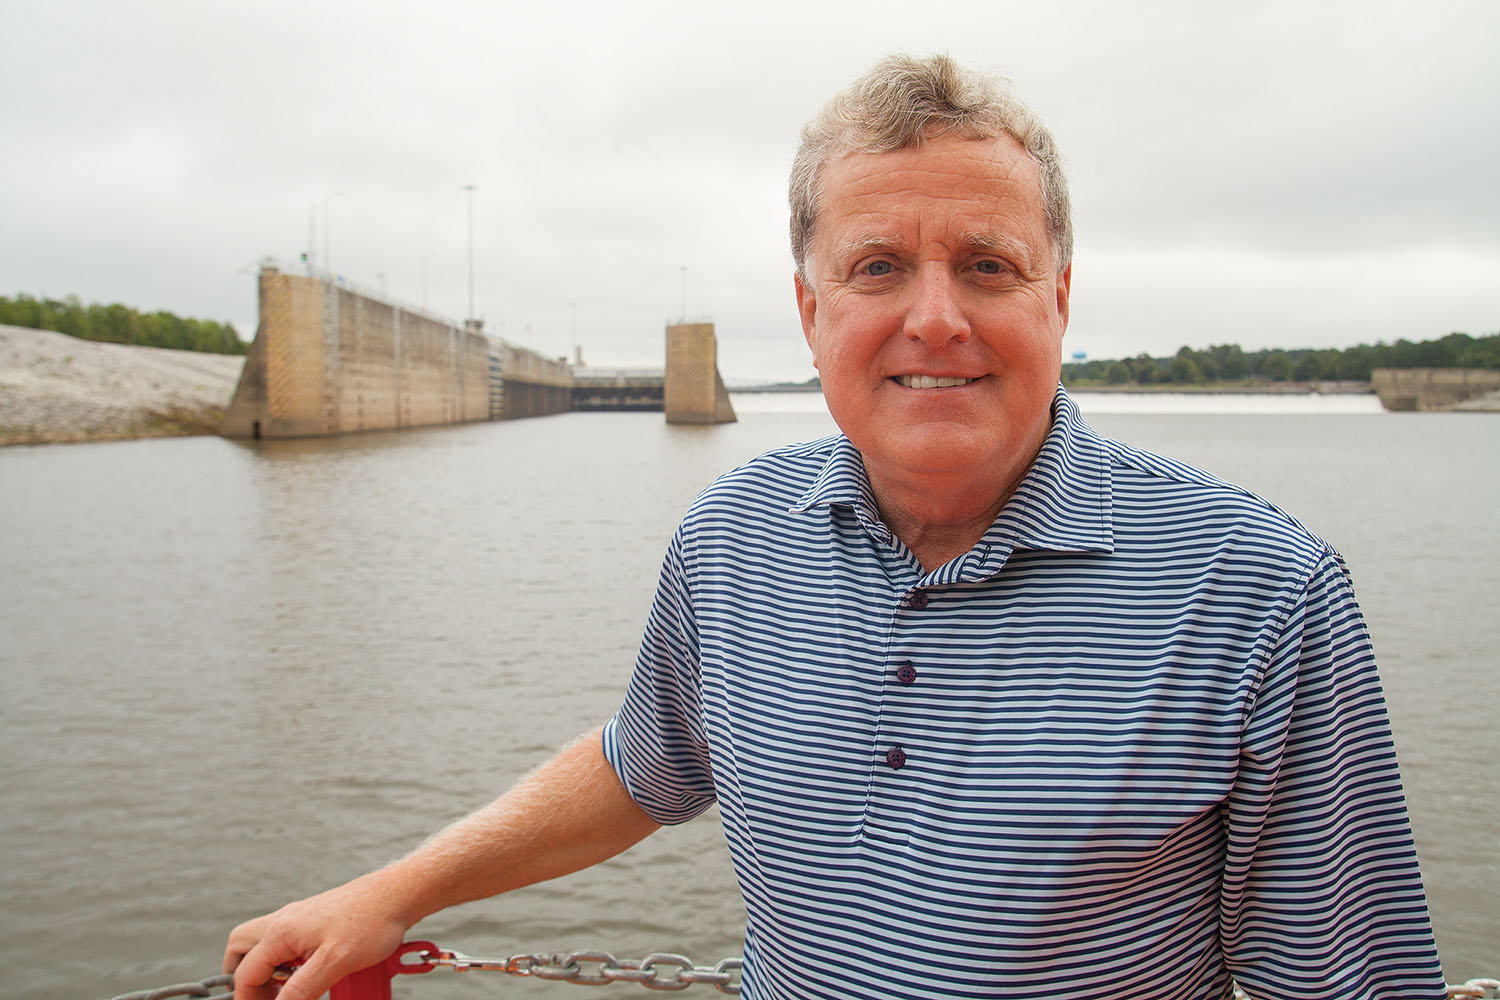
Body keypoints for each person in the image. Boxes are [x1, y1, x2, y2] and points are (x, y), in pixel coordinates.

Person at [225, 55, 1447, 1000]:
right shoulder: (734, 538)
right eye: (875, 269)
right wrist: (396, 887)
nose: (935, 318)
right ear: (809, 313)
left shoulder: (1260, 593)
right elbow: (645, 761)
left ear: (1059, 298)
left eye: (987, 264)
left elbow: (1339, 971)